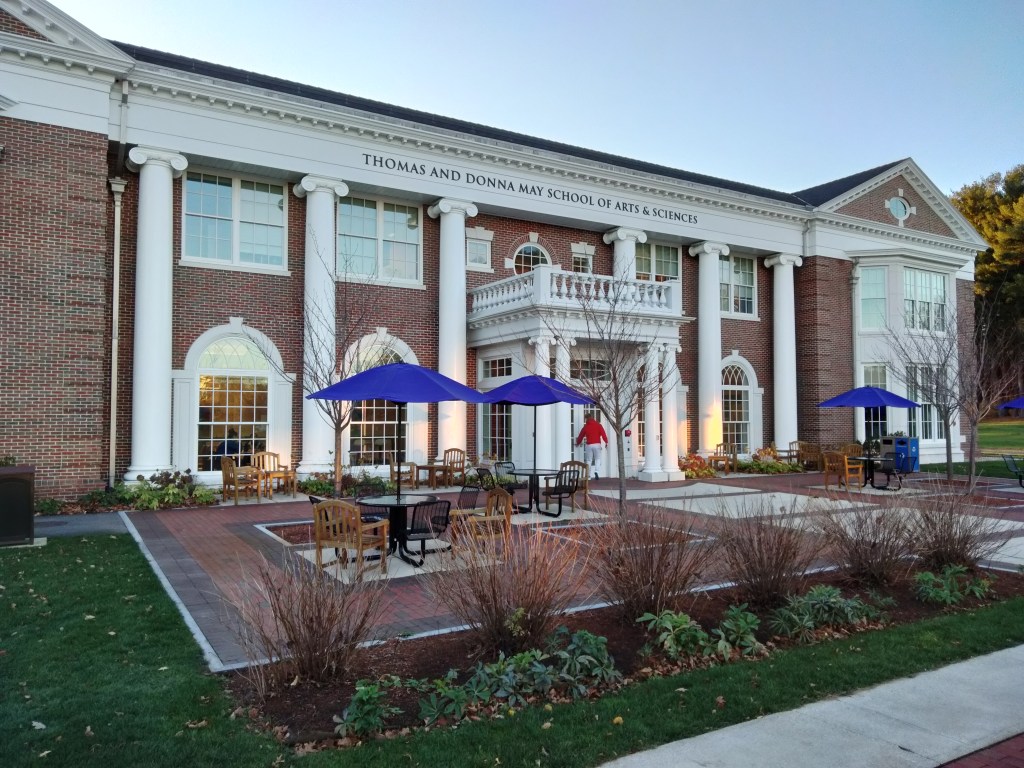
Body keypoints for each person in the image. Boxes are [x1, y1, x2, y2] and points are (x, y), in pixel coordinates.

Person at [575, 415, 608, 480]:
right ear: (592, 418)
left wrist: (578, 443)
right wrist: (606, 442)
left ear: (586, 419)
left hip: (589, 445)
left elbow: (581, 436)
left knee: (589, 460)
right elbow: (603, 434)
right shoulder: (598, 425)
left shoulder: (586, 426)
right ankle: (596, 471)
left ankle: (588, 476)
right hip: (597, 444)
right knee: (597, 459)